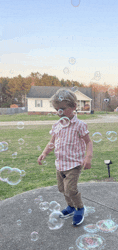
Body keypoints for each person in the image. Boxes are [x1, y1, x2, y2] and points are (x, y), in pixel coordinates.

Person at [37, 88, 93, 226]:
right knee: (62, 189)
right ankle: (71, 207)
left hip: (74, 164)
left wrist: (88, 157)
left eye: (62, 109)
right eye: (57, 109)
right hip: (60, 164)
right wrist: (44, 153)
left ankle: (80, 208)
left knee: (70, 189)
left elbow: (88, 142)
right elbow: (52, 142)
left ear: (74, 106)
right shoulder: (57, 125)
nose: (59, 112)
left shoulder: (79, 125)